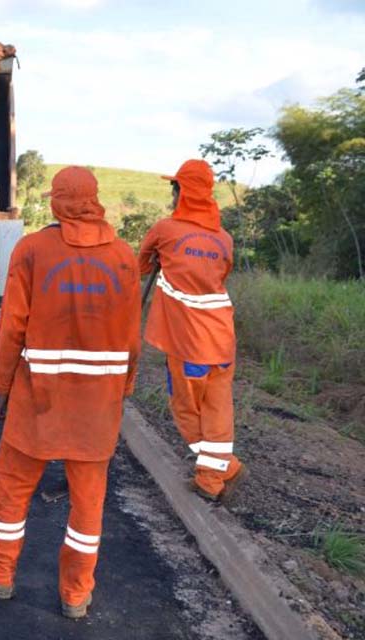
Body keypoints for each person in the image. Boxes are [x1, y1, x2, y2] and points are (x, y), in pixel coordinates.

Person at [0, 167, 141, 619]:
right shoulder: (124, 257)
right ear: (94, 200)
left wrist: (1, 385)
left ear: (56, 201)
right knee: (88, 503)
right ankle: (75, 595)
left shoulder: (33, 251)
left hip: (39, 398)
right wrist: (124, 388)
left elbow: (12, 325)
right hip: (98, 403)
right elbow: (132, 337)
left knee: (11, 490)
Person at [139, 159, 246, 503]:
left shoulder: (165, 230)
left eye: (174, 190)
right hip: (222, 338)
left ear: (180, 193)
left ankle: (220, 471)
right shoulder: (224, 239)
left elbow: (140, 267)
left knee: (186, 409)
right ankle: (213, 476)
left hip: (188, 341)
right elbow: (220, 276)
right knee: (218, 410)